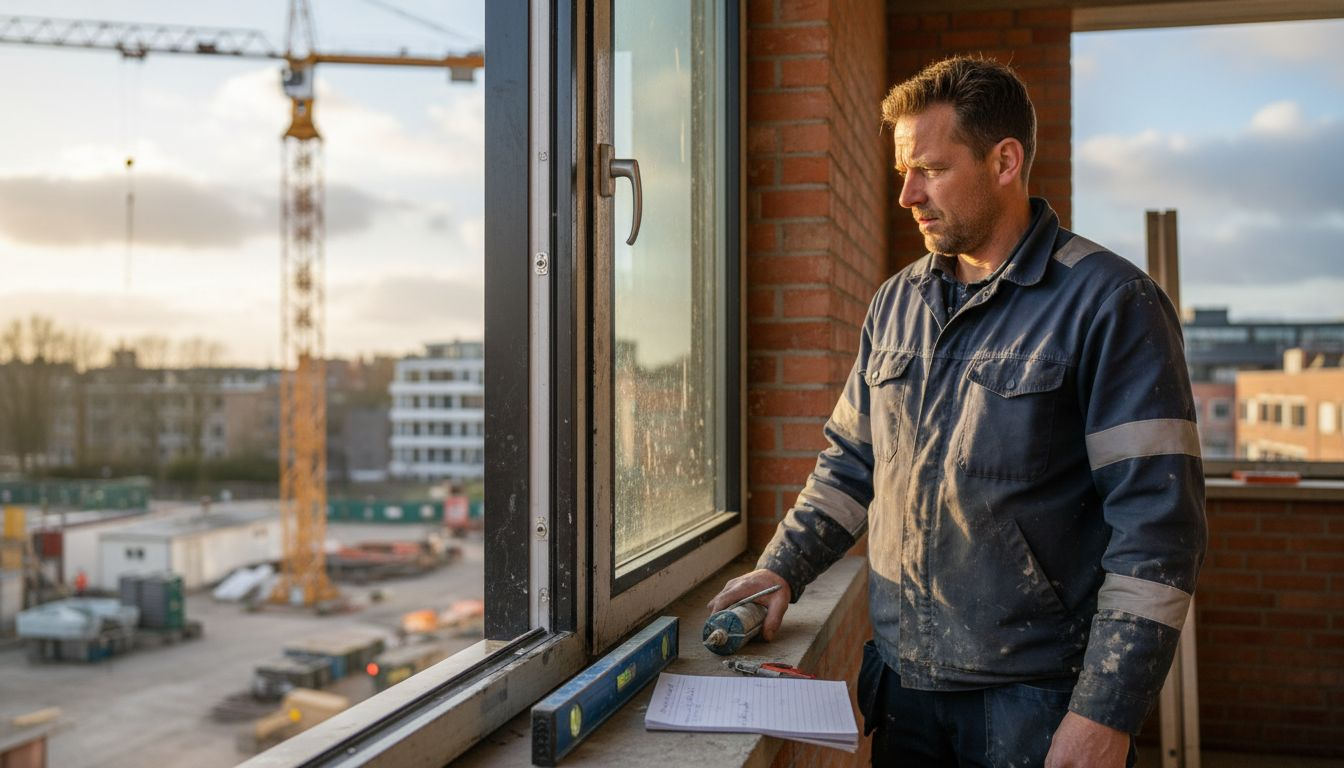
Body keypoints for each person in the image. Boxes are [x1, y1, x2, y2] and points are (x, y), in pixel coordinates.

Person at [708, 56, 1206, 767]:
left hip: (1039, 702)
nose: (907, 194)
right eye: (902, 172)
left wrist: (1106, 709)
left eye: (931, 169)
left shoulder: (1110, 303)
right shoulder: (896, 303)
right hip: (904, 689)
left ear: (1005, 161)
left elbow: (1157, 528)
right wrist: (782, 569)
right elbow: (850, 465)